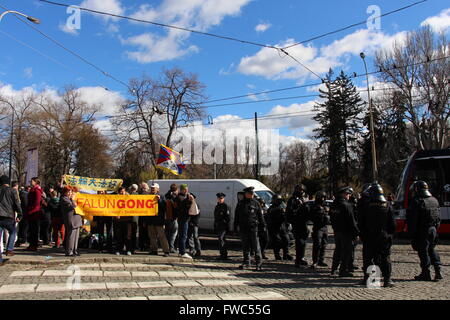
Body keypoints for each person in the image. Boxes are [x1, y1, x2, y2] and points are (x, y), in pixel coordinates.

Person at [359, 183, 396, 288]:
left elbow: (361, 222)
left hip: (369, 235)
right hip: (384, 236)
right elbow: (393, 223)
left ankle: (370, 279)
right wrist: (390, 234)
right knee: (385, 258)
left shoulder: (366, 205)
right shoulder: (387, 205)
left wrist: (363, 234)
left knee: (368, 258)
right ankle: (387, 280)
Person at [406, 181, 443, 281]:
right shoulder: (434, 200)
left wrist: (411, 233)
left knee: (423, 251)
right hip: (433, 229)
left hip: (422, 230)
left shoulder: (417, 201)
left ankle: (426, 273)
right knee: (432, 249)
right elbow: (438, 217)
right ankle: (438, 269)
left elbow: (413, 219)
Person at [330, 186, 359, 277]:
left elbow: (331, 217)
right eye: (348, 194)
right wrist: (356, 233)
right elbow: (352, 221)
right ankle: (343, 270)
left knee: (337, 250)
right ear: (344, 194)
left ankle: (334, 269)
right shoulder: (346, 205)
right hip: (346, 232)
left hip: (336, 231)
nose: (349, 196)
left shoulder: (334, 204)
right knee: (346, 251)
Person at [234, 186, 265, 271]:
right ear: (246, 194)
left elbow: (260, 216)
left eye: (252, 193)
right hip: (244, 228)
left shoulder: (256, 203)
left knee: (256, 246)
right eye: (250, 193)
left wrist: (263, 226)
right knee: (245, 246)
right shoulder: (241, 203)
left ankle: (259, 263)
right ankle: (246, 262)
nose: (251, 195)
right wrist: (235, 227)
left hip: (253, 227)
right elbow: (236, 216)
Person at [0, 175, 22, 265]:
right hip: (8, 216)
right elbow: (16, 203)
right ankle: (9, 249)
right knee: (12, 232)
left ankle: (0, 260)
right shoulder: (12, 191)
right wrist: (20, 214)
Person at [286, 184, 310, 267]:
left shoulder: (303, 199)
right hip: (297, 223)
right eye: (300, 190)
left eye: (302, 190)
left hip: (304, 223)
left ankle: (302, 257)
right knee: (299, 242)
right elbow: (290, 212)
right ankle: (298, 259)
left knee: (303, 241)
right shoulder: (292, 200)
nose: (301, 192)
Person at [145, 183, 170, 256]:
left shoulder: (162, 196)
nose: (152, 189)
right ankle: (154, 250)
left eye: (154, 188)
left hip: (159, 220)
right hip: (150, 220)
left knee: (162, 236)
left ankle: (166, 251)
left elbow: (164, 207)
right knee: (152, 236)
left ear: (157, 189)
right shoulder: (148, 196)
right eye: (152, 188)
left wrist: (160, 200)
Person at [266, 194, 292, 261]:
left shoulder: (281, 207)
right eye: (278, 200)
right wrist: (279, 210)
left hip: (282, 227)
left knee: (286, 240)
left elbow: (285, 217)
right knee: (277, 242)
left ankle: (286, 255)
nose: (279, 201)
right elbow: (270, 214)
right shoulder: (271, 209)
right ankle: (277, 255)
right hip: (274, 228)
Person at [309, 191, 330, 268]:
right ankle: (315, 261)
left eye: (324, 197)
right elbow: (311, 217)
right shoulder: (314, 206)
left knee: (324, 244)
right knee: (317, 244)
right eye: (322, 197)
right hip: (318, 227)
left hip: (325, 227)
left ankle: (321, 260)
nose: (323, 199)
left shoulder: (325, 206)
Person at [174, 184, 195, 259]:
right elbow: (182, 206)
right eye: (185, 189)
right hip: (183, 218)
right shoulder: (179, 197)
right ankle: (182, 251)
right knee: (183, 235)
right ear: (181, 190)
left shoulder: (184, 196)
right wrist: (188, 201)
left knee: (182, 235)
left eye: (187, 189)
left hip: (185, 218)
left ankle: (181, 250)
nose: (186, 191)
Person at [61, 186, 82, 257]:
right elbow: (72, 206)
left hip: (76, 219)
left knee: (76, 237)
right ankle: (69, 251)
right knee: (71, 236)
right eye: (68, 192)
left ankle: (74, 250)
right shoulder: (64, 199)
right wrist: (73, 200)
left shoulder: (71, 198)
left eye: (71, 192)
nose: (70, 193)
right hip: (71, 220)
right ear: (65, 192)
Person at [24, 177, 43, 252]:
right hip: (32, 211)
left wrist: (32, 210)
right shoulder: (34, 189)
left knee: (34, 230)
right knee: (31, 229)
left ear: (35, 182)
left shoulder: (37, 190)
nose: (30, 182)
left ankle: (33, 245)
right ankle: (31, 244)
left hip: (34, 212)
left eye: (31, 181)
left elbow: (37, 202)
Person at [114, 187, 133, 255]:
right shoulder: (115, 199)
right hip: (119, 221)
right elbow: (112, 209)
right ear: (119, 192)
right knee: (119, 236)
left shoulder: (129, 198)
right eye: (121, 192)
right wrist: (115, 215)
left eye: (123, 191)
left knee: (128, 235)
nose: (122, 193)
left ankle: (128, 249)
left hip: (127, 220)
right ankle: (119, 249)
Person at [214, 192, 231, 260]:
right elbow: (215, 217)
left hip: (223, 226)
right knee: (220, 239)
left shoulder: (225, 206)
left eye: (221, 198)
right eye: (219, 198)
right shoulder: (217, 206)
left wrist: (225, 224)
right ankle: (222, 254)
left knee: (221, 239)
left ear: (223, 199)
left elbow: (228, 218)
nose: (220, 199)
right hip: (218, 225)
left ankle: (224, 254)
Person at [164, 184, 179, 253]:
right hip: (173, 218)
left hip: (167, 217)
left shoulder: (166, 196)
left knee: (168, 234)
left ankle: (168, 247)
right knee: (173, 234)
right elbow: (176, 207)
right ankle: (171, 247)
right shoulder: (174, 197)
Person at [138, 182, 151, 251]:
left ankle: (147, 246)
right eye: (142, 188)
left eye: (145, 188)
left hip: (148, 217)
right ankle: (141, 245)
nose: (144, 189)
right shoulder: (139, 195)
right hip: (141, 217)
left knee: (147, 233)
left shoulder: (150, 196)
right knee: (141, 233)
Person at [128, 184, 139, 253]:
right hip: (135, 218)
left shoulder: (130, 195)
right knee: (133, 234)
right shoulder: (139, 196)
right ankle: (133, 248)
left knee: (130, 234)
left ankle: (131, 248)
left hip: (131, 217)